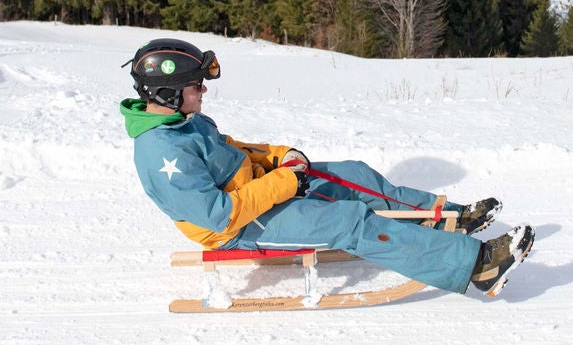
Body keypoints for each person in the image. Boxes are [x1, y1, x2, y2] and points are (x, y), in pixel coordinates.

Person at [121, 37, 533, 298]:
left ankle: (442, 218)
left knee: (354, 175)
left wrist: (280, 157)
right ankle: (477, 266)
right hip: (238, 228)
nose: (204, 90)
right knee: (349, 221)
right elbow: (220, 214)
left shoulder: (184, 122)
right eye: (196, 85)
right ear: (170, 92)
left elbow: (235, 149)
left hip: (261, 192)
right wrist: (285, 181)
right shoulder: (160, 153)